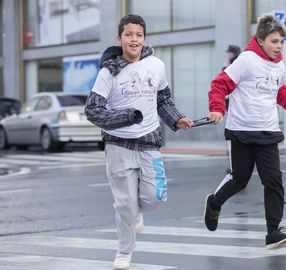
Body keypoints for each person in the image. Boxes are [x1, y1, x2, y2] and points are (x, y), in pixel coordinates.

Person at [85, 14, 193, 269]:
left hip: (149, 141)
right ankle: (124, 251)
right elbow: (93, 110)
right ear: (119, 38)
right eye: (129, 34)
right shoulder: (107, 71)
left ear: (144, 38)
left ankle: (136, 213)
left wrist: (176, 119)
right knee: (124, 203)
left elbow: (163, 100)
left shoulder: (156, 65)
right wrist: (126, 117)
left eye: (139, 35)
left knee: (155, 196)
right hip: (118, 144)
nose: (134, 39)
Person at [204, 14, 286, 250]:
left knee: (274, 180)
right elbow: (220, 84)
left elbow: (279, 89)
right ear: (260, 39)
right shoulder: (246, 60)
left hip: (268, 131)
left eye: (281, 42)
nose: (279, 47)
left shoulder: (279, 65)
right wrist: (217, 109)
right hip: (242, 131)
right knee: (240, 180)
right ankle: (214, 202)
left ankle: (273, 232)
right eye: (274, 41)